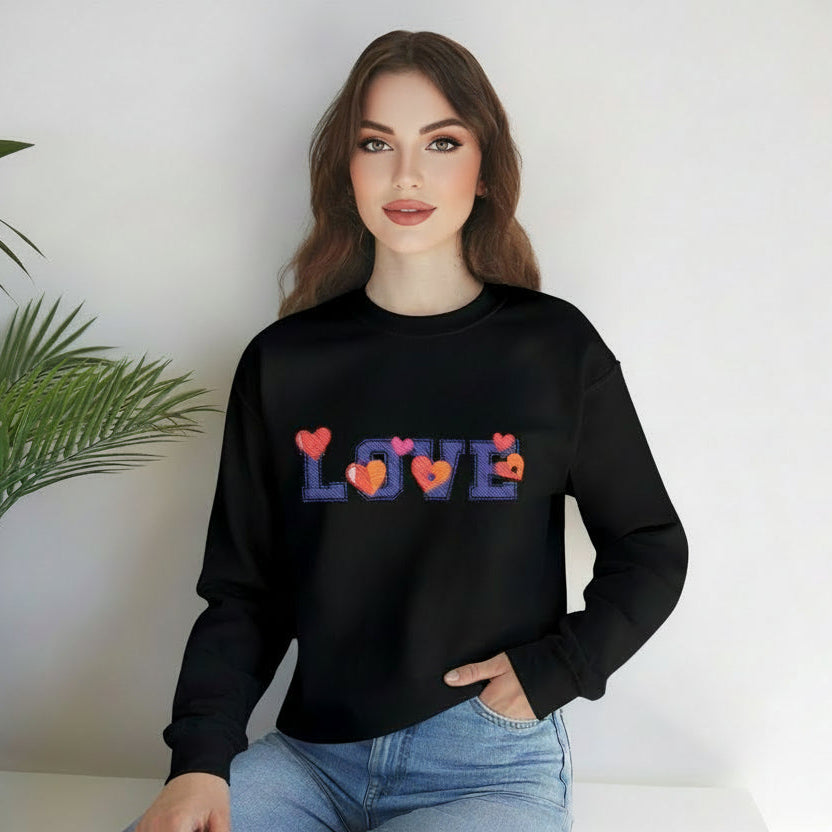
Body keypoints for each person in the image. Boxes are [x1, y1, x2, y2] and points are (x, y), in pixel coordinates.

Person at [122, 29, 688, 832]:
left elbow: (651, 544)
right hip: (310, 758)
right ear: (345, 168)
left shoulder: (553, 350)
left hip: (486, 765)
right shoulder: (285, 364)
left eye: (442, 141)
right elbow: (246, 594)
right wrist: (201, 765)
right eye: (376, 143)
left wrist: (561, 666)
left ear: (484, 167)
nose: (407, 174)